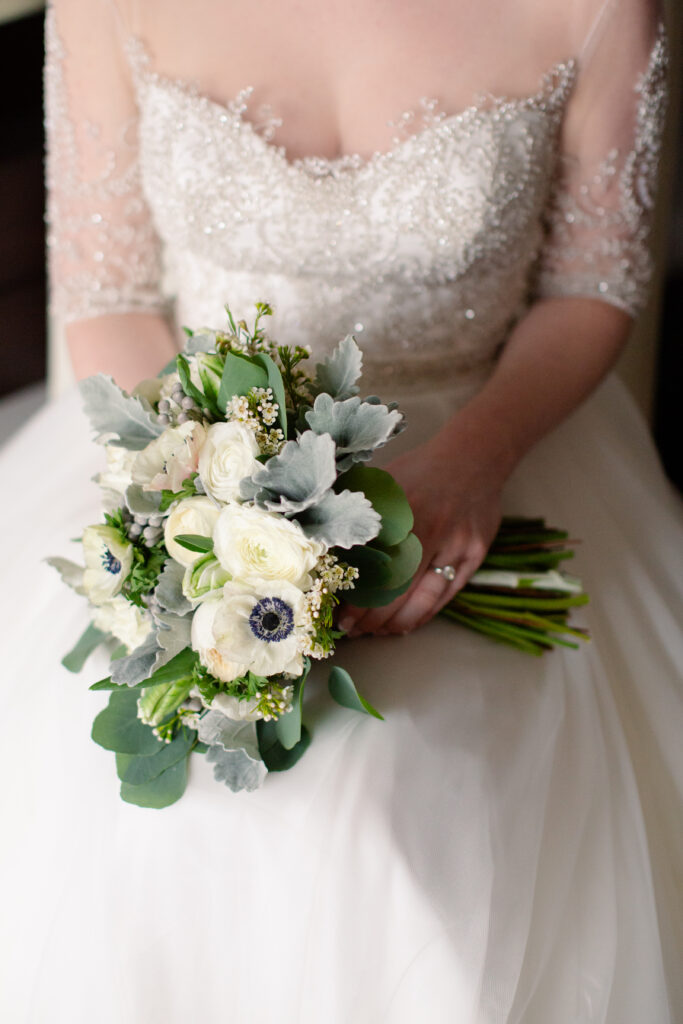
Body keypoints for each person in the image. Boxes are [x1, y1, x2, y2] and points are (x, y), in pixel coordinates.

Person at [0, 0, 681, 1020]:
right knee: (149, 810)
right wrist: (215, 514)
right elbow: (108, 293)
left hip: (482, 443)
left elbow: (592, 280)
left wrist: (471, 464)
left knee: (408, 810)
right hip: (185, 445)